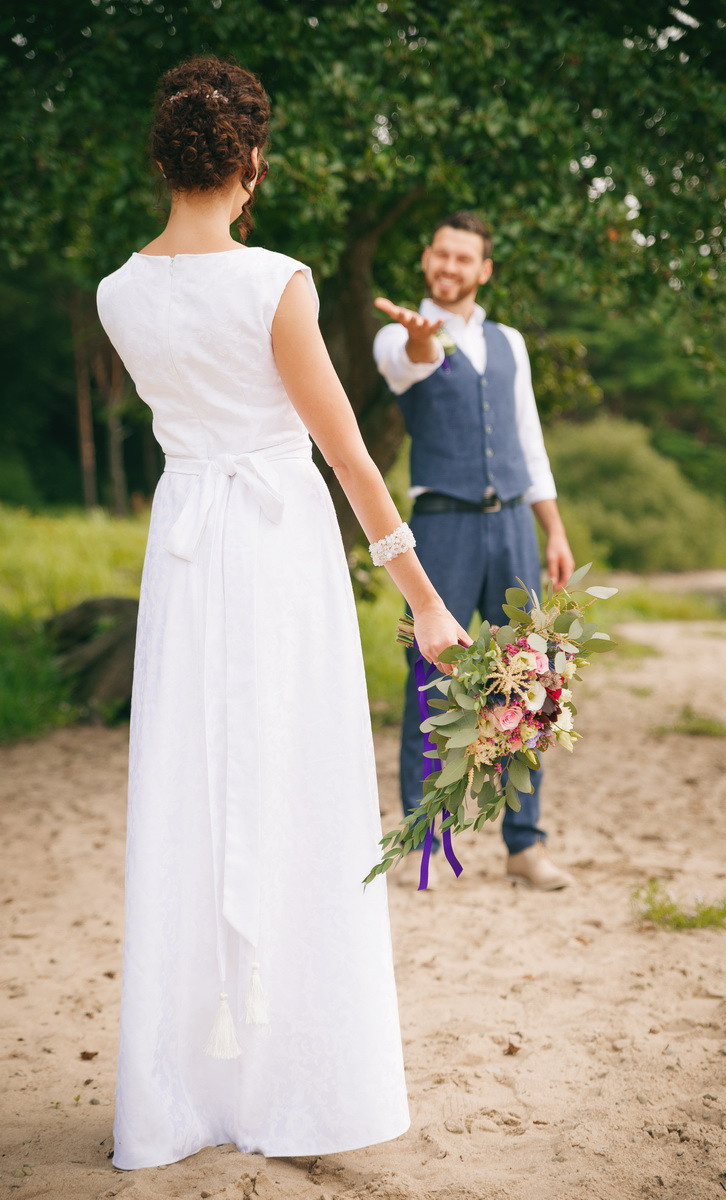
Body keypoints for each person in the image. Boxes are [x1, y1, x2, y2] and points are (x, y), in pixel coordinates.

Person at [96, 57, 469, 1170]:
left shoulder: (118, 291)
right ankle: (302, 1086)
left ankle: (185, 1095)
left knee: (194, 789)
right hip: (273, 551)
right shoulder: (279, 283)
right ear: (251, 166)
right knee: (297, 788)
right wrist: (433, 610)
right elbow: (351, 463)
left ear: (163, 159)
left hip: (188, 548)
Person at [373, 212, 575, 892]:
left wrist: (554, 530)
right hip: (443, 526)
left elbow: (529, 439)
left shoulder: (509, 342)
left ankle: (524, 844)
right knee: (430, 681)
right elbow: (412, 366)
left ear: (483, 269)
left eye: (464, 258)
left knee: (532, 679)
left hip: (514, 521)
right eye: (440, 255)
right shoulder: (397, 335)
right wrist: (421, 341)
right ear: (426, 258)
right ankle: (419, 841)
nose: (449, 267)